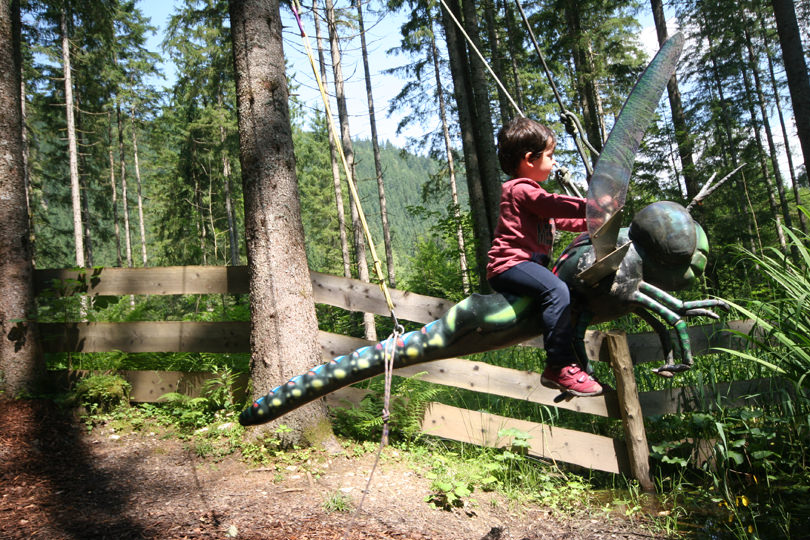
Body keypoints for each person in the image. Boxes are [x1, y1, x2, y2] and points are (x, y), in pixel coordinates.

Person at [486, 116, 603, 396]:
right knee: (556, 289)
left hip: (525, 266)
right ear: (529, 159)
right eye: (550, 156)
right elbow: (552, 204)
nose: (554, 163)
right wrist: (591, 206)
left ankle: (574, 363)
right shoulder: (520, 190)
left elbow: (563, 220)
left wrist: (596, 222)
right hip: (509, 265)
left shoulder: (532, 196)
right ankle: (559, 366)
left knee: (566, 294)